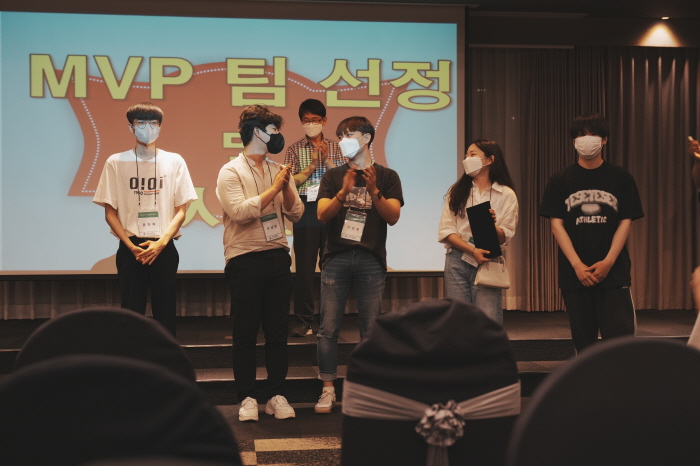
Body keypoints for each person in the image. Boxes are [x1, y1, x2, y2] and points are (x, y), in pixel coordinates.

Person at [216, 104, 304, 422]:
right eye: (273, 130)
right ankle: (247, 397)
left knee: (277, 333)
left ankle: (276, 395)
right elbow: (241, 212)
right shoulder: (230, 171)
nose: (278, 135)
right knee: (245, 333)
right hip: (244, 258)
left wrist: (286, 187)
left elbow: (296, 214)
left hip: (278, 256)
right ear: (257, 132)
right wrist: (276, 188)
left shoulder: (278, 168)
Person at [314, 116, 404, 414]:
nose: (342, 141)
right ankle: (328, 389)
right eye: (340, 136)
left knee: (371, 328)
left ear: (366, 138)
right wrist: (343, 191)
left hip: (371, 258)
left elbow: (393, 216)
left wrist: (375, 190)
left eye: (348, 135)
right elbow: (322, 215)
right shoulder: (333, 176)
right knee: (328, 327)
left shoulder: (387, 176)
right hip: (336, 256)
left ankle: (368, 390)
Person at [539, 113, 644, 353]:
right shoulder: (560, 179)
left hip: (614, 273)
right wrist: (577, 265)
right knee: (583, 344)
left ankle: (620, 380)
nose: (586, 140)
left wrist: (608, 262)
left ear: (604, 140)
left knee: (620, 343)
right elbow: (557, 225)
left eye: (593, 134)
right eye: (580, 135)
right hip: (575, 274)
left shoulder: (621, 177)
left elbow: (626, 222)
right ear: (573, 141)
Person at [93, 102, 197, 336]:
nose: (147, 128)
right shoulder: (116, 161)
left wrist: (161, 244)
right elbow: (110, 213)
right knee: (131, 312)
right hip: (131, 247)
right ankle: (131, 355)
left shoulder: (174, 161)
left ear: (160, 126)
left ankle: (166, 355)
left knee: (166, 310)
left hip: (164, 245)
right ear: (131, 127)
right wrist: (130, 246)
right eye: (141, 123)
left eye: (153, 123)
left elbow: (181, 210)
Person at [437, 139, 518, 325]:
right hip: (457, 259)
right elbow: (446, 230)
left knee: (487, 319)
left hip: (488, 258)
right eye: (466, 155)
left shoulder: (506, 194)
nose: (467, 158)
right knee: (458, 320)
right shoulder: (457, 191)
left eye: (472, 154)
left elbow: (505, 235)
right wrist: (472, 250)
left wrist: (491, 225)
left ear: (490, 160)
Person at [284, 99, 345, 337]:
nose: (311, 124)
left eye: (315, 120)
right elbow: (289, 183)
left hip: (332, 207)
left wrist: (327, 160)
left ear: (324, 121)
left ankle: (331, 320)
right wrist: (312, 166)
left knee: (333, 266)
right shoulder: (294, 149)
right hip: (306, 208)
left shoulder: (337, 147)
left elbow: (345, 179)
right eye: (306, 120)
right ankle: (304, 321)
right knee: (305, 268)